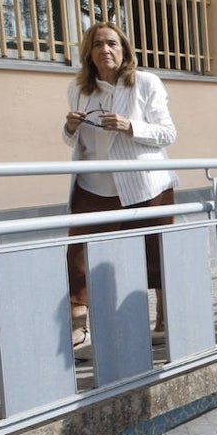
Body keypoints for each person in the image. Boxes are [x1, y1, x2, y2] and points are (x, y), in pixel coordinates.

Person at [63, 21, 179, 358]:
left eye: (112, 43)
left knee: (154, 252)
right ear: (89, 52)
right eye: (97, 44)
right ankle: (78, 331)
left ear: (124, 48)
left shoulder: (145, 83)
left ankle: (163, 323)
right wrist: (69, 127)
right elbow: (74, 139)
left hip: (144, 184)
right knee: (79, 258)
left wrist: (131, 126)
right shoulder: (80, 88)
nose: (105, 50)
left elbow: (168, 133)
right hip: (94, 185)